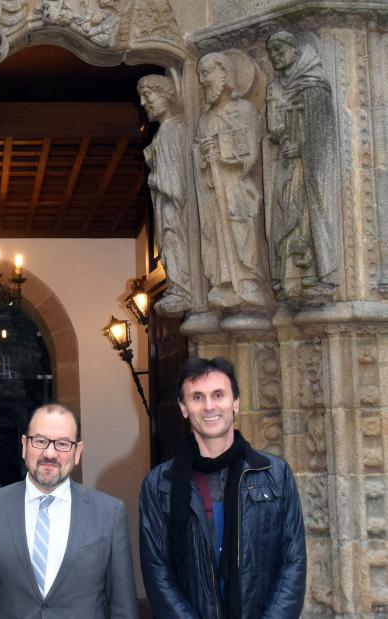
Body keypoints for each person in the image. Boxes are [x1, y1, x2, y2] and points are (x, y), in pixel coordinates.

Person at [139, 357, 306, 618]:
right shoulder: (159, 484)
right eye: (197, 397)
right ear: (183, 408)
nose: (209, 406)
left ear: (235, 402)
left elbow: (293, 564)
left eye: (218, 394)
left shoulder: (275, 474)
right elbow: (157, 571)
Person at [0, 403, 138, 618]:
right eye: (40, 441)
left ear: (78, 452)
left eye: (62, 443)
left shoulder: (109, 513)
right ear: (24, 446)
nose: (49, 453)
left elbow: (123, 607)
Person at [265, 31, 339, 299]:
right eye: (271, 51)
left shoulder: (313, 83)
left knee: (309, 211)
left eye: (280, 49)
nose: (274, 56)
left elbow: (322, 136)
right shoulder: (276, 86)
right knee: (285, 211)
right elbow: (274, 131)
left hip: (310, 166)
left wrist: (302, 148)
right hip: (287, 161)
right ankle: (288, 276)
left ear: (296, 50)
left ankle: (322, 273)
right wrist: (282, 133)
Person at [194, 52, 271, 310]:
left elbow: (252, 155)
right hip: (215, 191)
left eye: (206, 73)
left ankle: (248, 279)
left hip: (239, 187)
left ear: (225, 74)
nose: (202, 80)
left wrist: (224, 152)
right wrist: (204, 156)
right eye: (200, 75)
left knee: (243, 231)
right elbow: (198, 160)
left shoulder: (245, 110)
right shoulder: (203, 120)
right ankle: (224, 282)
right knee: (216, 233)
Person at [138, 73, 192, 316]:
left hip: (175, 207)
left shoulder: (175, 131)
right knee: (169, 243)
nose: (143, 103)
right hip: (167, 206)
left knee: (173, 241)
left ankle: (183, 290)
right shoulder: (165, 133)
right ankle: (180, 289)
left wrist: (153, 175)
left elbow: (175, 184)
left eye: (148, 96)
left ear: (167, 95)